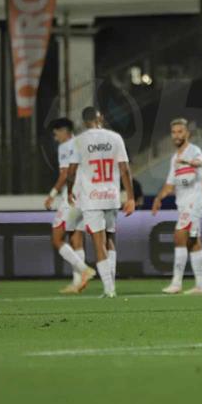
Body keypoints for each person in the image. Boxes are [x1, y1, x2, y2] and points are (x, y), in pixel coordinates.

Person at [65, 107, 135, 298]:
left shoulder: (79, 141)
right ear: (101, 118)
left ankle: (109, 289)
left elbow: (71, 171)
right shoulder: (115, 138)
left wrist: (70, 191)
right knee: (110, 239)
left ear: (84, 122)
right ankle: (111, 285)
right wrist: (130, 197)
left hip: (92, 197)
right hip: (111, 196)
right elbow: (125, 169)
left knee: (98, 242)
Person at [153, 119, 202, 295]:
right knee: (193, 242)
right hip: (184, 204)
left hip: (194, 202)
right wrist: (158, 198)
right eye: (174, 132)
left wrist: (189, 162)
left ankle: (176, 283)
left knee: (179, 236)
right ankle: (201, 286)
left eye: (180, 131)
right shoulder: (174, 159)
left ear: (187, 133)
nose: (176, 135)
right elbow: (170, 184)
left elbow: (200, 163)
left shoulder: (194, 150)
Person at [45, 118, 95, 294]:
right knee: (76, 239)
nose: (55, 138)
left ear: (64, 131)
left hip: (72, 197)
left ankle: (84, 270)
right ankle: (77, 283)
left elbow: (66, 173)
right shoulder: (82, 143)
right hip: (86, 196)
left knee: (57, 239)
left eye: (56, 134)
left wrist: (52, 194)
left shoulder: (66, 147)